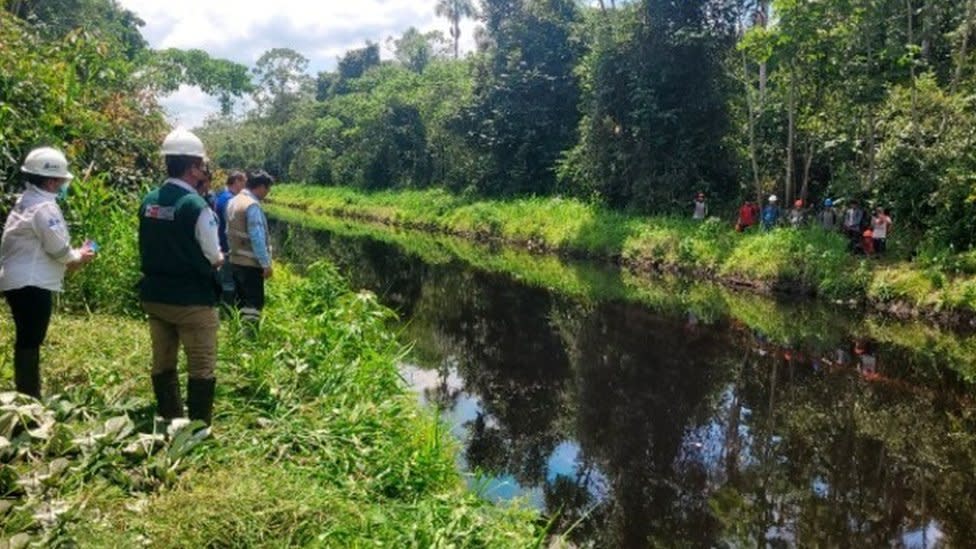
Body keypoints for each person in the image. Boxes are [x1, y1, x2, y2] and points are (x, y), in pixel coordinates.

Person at [138, 128, 222, 434]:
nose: (203, 171)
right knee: (201, 365)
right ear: (192, 168)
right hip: (192, 301)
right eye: (201, 166)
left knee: (163, 359)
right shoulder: (196, 206)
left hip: (155, 296)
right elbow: (214, 255)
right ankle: (197, 428)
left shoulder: (149, 201)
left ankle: (169, 417)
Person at [0, 147, 96, 398]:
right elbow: (58, 249)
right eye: (62, 181)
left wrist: (71, 255)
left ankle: (26, 397)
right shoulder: (44, 208)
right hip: (32, 283)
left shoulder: (25, 201)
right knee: (31, 341)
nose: (64, 185)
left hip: (17, 280)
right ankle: (29, 400)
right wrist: (80, 256)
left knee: (26, 340)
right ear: (52, 180)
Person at [227, 170, 273, 327]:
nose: (267, 194)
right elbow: (257, 237)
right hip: (250, 263)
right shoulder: (251, 205)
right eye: (267, 189)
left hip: (235, 260)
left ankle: (239, 334)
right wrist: (266, 264)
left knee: (240, 301)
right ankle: (250, 336)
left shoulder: (233, 201)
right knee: (253, 303)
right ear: (260, 187)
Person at [214, 171, 246, 305]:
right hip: (227, 246)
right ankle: (228, 312)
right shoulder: (230, 200)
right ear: (237, 181)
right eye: (244, 182)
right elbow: (232, 225)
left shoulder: (221, 196)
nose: (245, 186)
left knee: (225, 278)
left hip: (220, 243)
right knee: (228, 281)